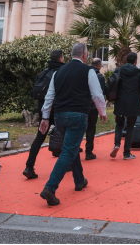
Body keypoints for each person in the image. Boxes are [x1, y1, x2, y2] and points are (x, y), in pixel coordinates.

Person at [39, 43, 107, 206]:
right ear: (84, 55)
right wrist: (102, 111)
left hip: (60, 117)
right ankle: (50, 188)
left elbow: (49, 96)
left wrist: (45, 117)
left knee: (71, 146)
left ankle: (79, 180)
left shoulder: (58, 72)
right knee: (68, 151)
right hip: (78, 115)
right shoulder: (88, 71)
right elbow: (97, 94)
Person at [23, 50, 65, 179]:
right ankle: (67, 164)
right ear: (61, 58)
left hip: (43, 109)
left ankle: (29, 166)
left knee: (40, 137)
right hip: (58, 109)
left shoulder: (43, 73)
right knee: (65, 136)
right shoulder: (62, 72)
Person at [110, 52, 140, 160]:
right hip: (134, 102)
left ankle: (117, 144)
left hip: (120, 101)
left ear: (126, 60)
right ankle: (127, 153)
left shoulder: (119, 70)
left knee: (119, 123)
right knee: (130, 126)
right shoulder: (139, 73)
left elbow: (113, 83)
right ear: (135, 61)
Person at [84, 58, 108, 159]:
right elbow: (100, 92)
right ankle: (88, 152)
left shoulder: (85, 73)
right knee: (91, 127)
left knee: (80, 128)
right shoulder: (100, 76)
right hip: (93, 107)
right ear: (99, 65)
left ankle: (76, 149)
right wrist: (102, 109)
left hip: (83, 105)